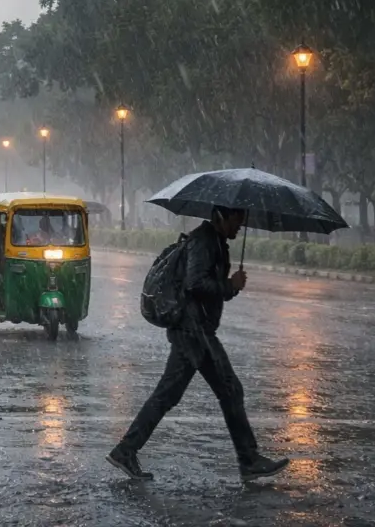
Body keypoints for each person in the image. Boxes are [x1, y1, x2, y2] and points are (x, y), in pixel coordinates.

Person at [107, 206, 290, 482]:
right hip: (193, 333)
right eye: (236, 221)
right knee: (227, 390)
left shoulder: (215, 241)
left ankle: (126, 450)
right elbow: (196, 284)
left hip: (196, 331)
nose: (239, 227)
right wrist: (229, 285)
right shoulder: (204, 241)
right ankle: (249, 459)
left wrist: (231, 288)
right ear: (221, 217)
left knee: (174, 395)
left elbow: (210, 291)